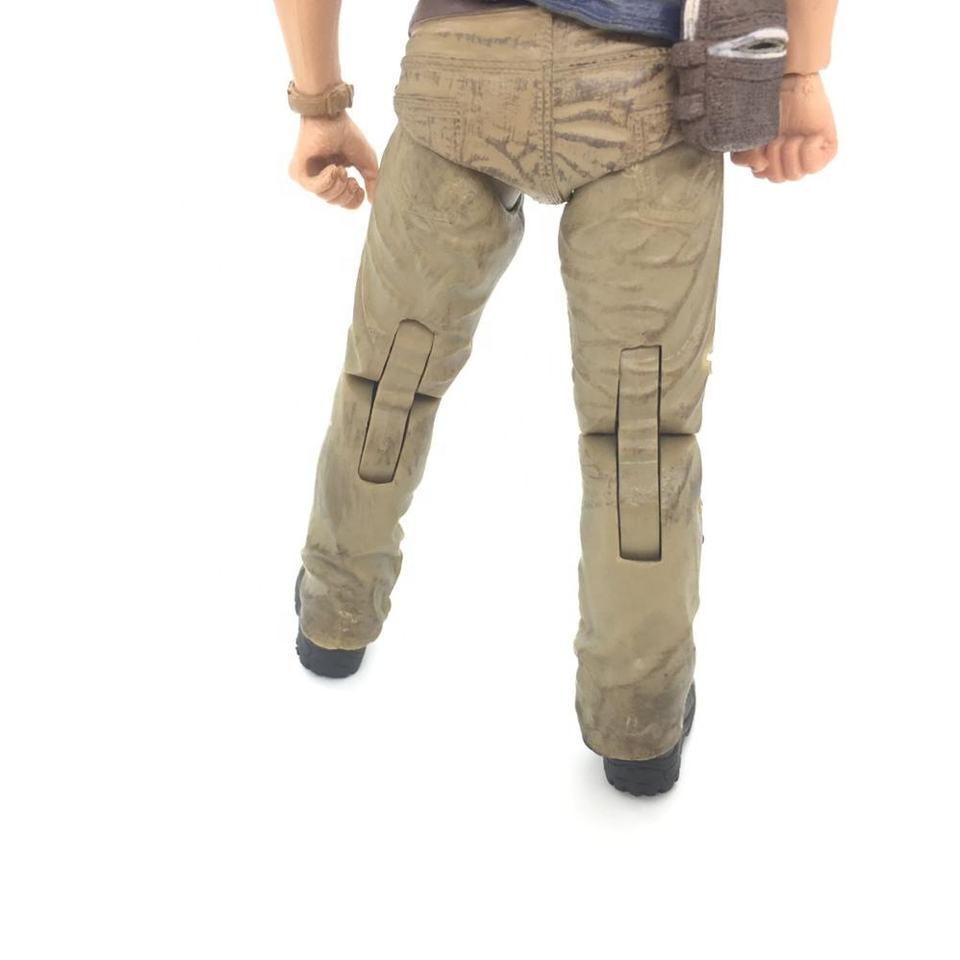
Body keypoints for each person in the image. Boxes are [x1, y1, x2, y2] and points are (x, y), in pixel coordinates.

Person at [274, 0, 839, 795]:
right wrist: (799, 73)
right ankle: (638, 718)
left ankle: (334, 617)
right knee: (641, 429)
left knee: (391, 375)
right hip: (645, 87)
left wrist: (320, 104)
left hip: (457, 68)